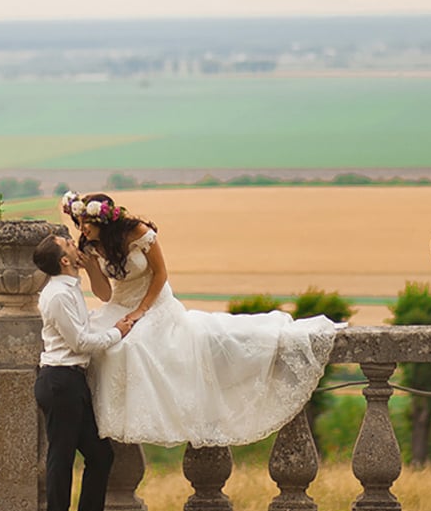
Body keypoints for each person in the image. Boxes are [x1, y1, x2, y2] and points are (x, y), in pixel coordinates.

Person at [61, 191, 343, 448]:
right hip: (119, 303)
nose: (82, 228)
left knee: (138, 345)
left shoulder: (139, 233)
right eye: (80, 222)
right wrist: (91, 271)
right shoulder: (90, 245)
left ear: (105, 221)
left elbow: (160, 275)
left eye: (87, 222)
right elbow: (105, 294)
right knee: (107, 344)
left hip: (155, 302)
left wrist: (141, 312)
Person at [32, 233, 133, 511]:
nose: (76, 245)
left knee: (100, 455)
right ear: (64, 260)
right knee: (60, 459)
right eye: (69, 245)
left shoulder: (68, 289)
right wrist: (117, 333)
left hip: (71, 381)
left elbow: (84, 330)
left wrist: (109, 326)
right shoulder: (58, 295)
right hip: (60, 381)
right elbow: (79, 342)